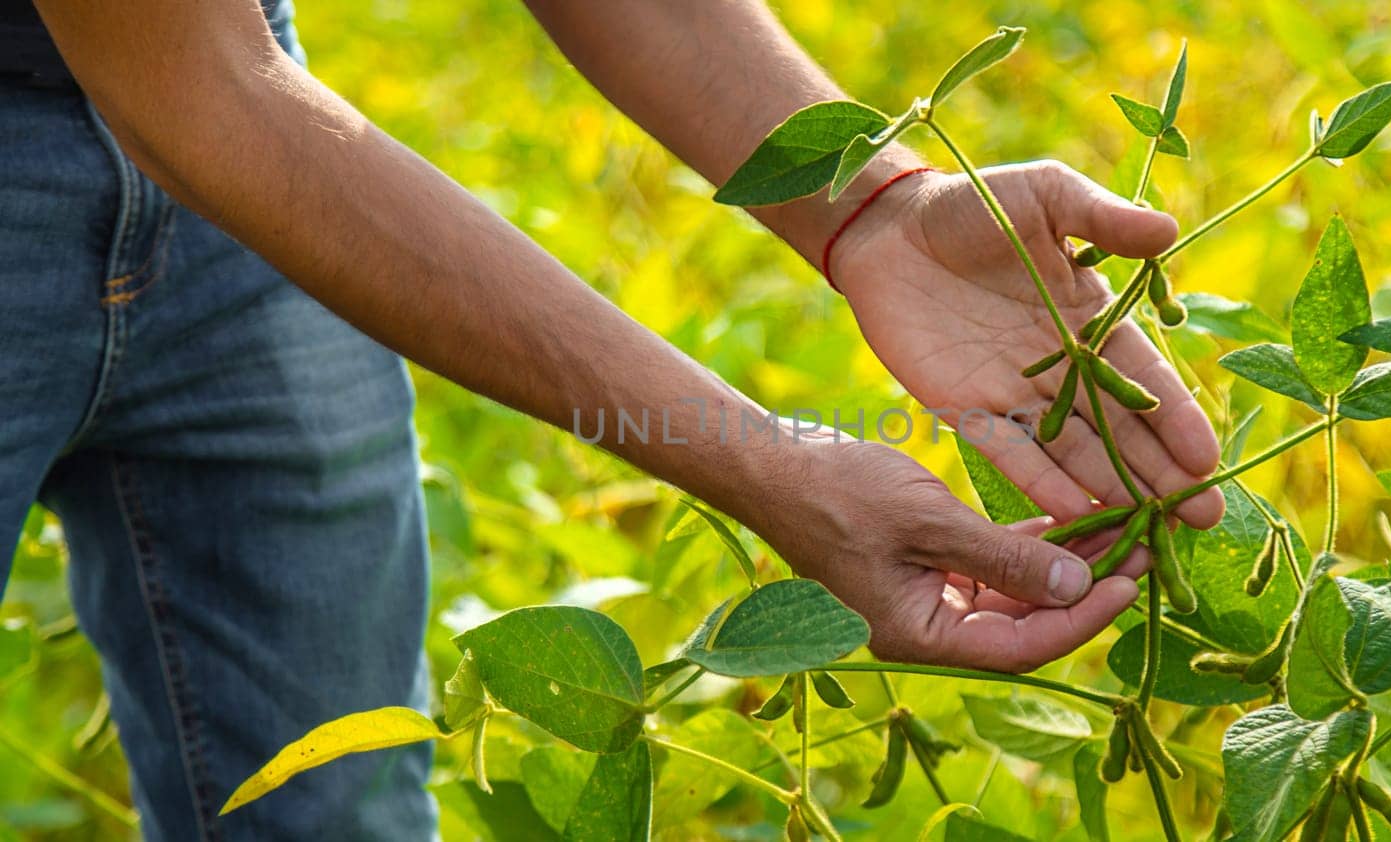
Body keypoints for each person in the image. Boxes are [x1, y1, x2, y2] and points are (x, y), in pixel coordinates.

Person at [4, 0, 1224, 837]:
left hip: (238, 70)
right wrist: (757, 459)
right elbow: (196, 87)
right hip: (208, 93)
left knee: (340, 806)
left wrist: (875, 210)